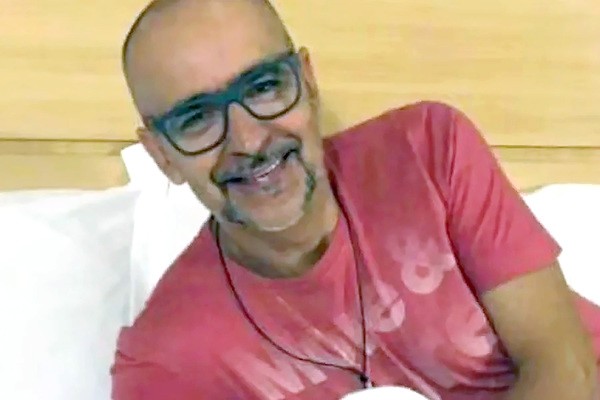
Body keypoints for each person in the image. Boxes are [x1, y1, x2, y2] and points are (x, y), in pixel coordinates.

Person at [111, 0, 600, 399]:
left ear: (308, 82)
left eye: (263, 87)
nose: (249, 140)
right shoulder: (169, 359)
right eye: (196, 119)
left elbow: (566, 367)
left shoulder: (426, 152)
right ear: (162, 154)